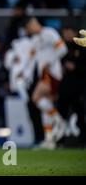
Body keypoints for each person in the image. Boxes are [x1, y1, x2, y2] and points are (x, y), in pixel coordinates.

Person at [24, 17, 68, 149]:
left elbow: (63, 49)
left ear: (34, 24)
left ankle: (59, 120)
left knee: (35, 98)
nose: (29, 30)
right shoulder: (35, 40)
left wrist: (50, 62)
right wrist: (27, 74)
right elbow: (33, 59)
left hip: (52, 73)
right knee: (45, 107)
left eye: (30, 27)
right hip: (43, 75)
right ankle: (50, 141)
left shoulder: (49, 33)